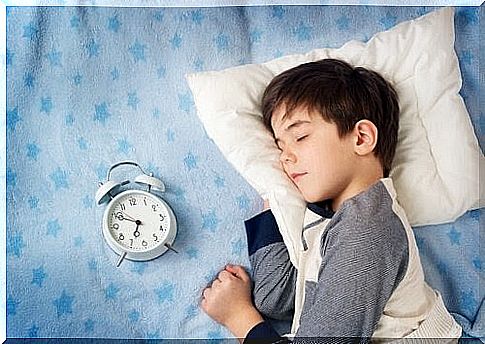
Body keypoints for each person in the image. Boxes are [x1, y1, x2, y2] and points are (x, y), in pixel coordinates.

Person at [200, 59, 462, 342]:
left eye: (300, 136)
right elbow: (277, 298)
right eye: (279, 147)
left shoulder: (367, 229)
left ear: (361, 138)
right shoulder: (327, 219)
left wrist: (238, 317)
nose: (285, 157)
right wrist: (275, 194)